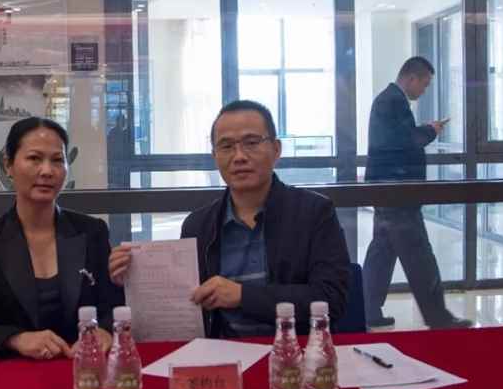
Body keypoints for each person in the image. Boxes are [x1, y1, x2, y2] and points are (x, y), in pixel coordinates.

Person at [109, 100, 350, 337]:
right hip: (221, 353)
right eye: (226, 146)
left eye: (251, 143)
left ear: (276, 149)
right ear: (214, 155)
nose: (239, 156)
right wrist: (134, 282)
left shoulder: (314, 213)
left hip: (293, 350)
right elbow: (185, 305)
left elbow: (331, 299)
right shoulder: (198, 225)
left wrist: (242, 296)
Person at [0, 117, 123, 359]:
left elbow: (113, 308)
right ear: (8, 165)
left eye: (57, 160)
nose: (47, 171)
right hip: (14, 371)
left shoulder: (92, 232)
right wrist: (15, 339)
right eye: (34, 158)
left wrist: (106, 331)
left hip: (82, 368)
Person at [362, 57, 473, 330]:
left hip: (387, 192)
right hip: (398, 193)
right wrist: (430, 131)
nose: (424, 90)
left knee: (381, 254)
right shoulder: (393, 101)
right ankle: (439, 317)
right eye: (425, 83)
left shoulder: (388, 100)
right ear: (412, 78)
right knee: (419, 255)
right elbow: (404, 141)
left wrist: (423, 130)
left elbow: (397, 139)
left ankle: (366, 310)